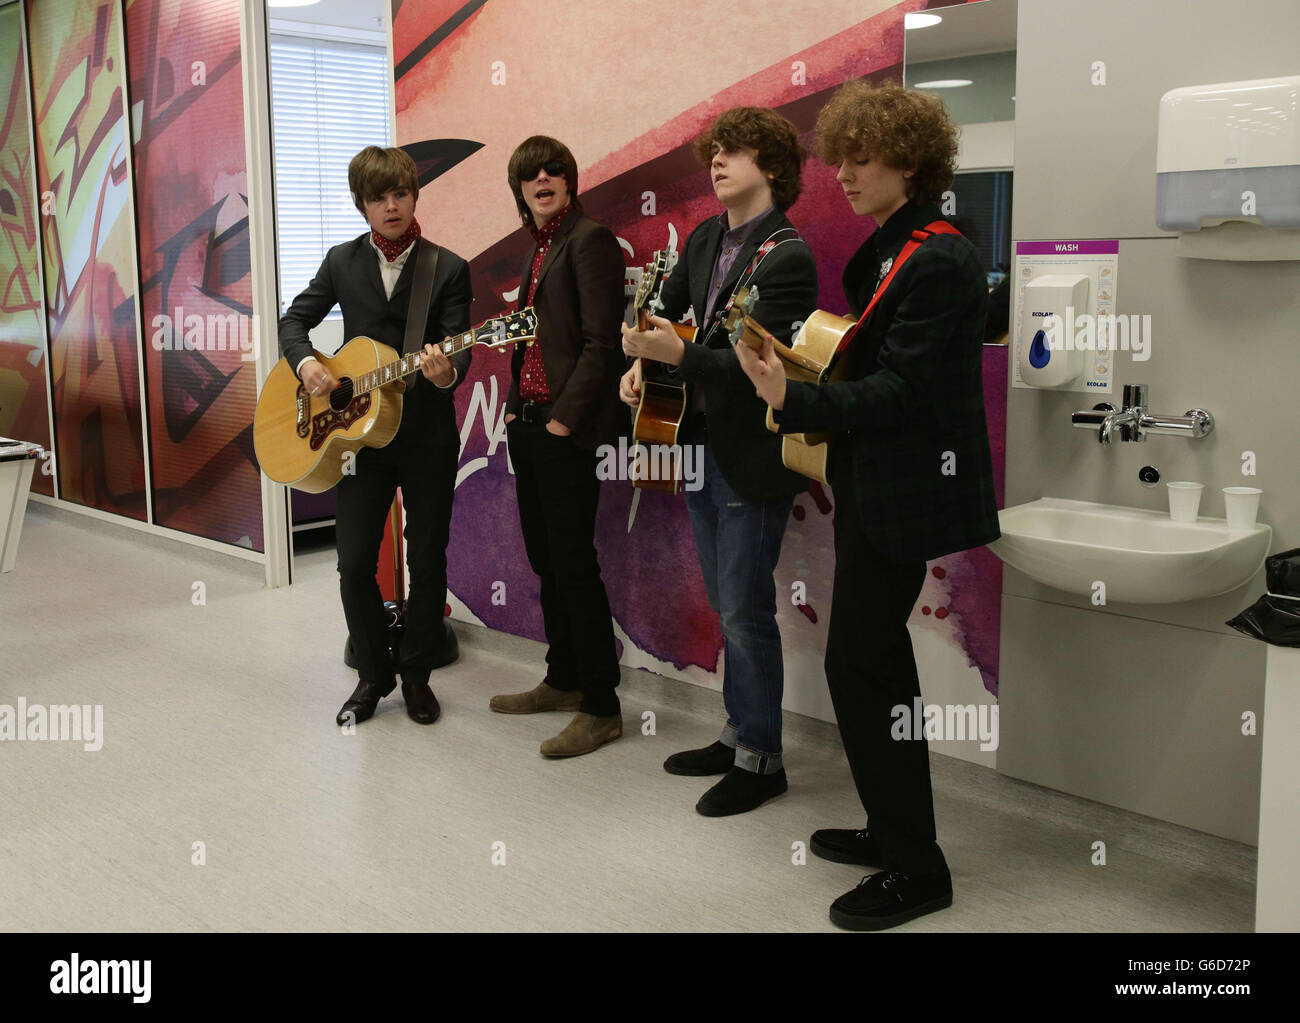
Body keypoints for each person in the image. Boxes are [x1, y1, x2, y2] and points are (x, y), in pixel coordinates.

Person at [736, 82, 1000, 929]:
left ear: (911, 162)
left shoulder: (941, 254)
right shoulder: (896, 248)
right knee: (870, 664)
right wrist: (797, 371)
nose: (841, 171)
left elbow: (900, 392)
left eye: (861, 156)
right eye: (838, 154)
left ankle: (918, 868)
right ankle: (893, 830)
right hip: (878, 486)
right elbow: (865, 359)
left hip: (908, 492)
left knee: (863, 665)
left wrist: (794, 399)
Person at [619, 107, 818, 815]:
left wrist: (679, 355)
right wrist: (643, 363)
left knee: (744, 610)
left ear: (772, 166)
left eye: (735, 151)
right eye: (716, 151)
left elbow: (754, 366)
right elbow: (669, 318)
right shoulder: (705, 238)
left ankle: (762, 759)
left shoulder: (787, 256)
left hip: (753, 456)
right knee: (725, 602)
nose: (718, 161)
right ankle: (736, 735)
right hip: (697, 446)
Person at [278, 145, 472, 727]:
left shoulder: (448, 267)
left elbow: (459, 346)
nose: (392, 206)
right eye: (379, 197)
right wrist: (306, 362)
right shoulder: (341, 261)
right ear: (362, 204)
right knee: (354, 559)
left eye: (401, 194)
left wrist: (447, 371)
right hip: (358, 437)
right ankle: (372, 675)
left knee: (428, 555)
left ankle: (415, 676)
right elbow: (294, 321)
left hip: (427, 435)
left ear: (415, 196)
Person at [488, 136, 627, 758]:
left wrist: (565, 422)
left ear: (570, 181)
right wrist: (522, 409)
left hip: (564, 432)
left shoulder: (589, 239)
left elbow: (604, 343)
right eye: (530, 174)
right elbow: (539, 339)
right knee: (546, 561)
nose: (542, 179)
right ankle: (563, 679)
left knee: (573, 565)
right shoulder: (540, 247)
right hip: (530, 424)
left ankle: (601, 706)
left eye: (554, 171)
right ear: (519, 189)